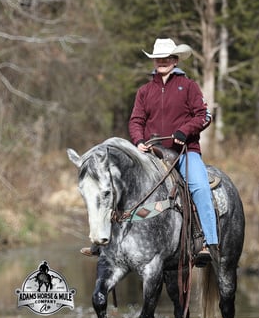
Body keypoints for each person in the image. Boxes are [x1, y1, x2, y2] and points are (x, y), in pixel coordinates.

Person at [81, 38, 217, 267]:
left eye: (166, 58)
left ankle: (208, 242)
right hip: (151, 154)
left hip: (183, 152)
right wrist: (139, 140)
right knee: (114, 185)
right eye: (158, 58)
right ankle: (103, 241)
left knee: (200, 186)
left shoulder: (189, 86)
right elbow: (136, 120)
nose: (161, 62)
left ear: (175, 60)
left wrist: (184, 131)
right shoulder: (145, 91)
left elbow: (204, 116)